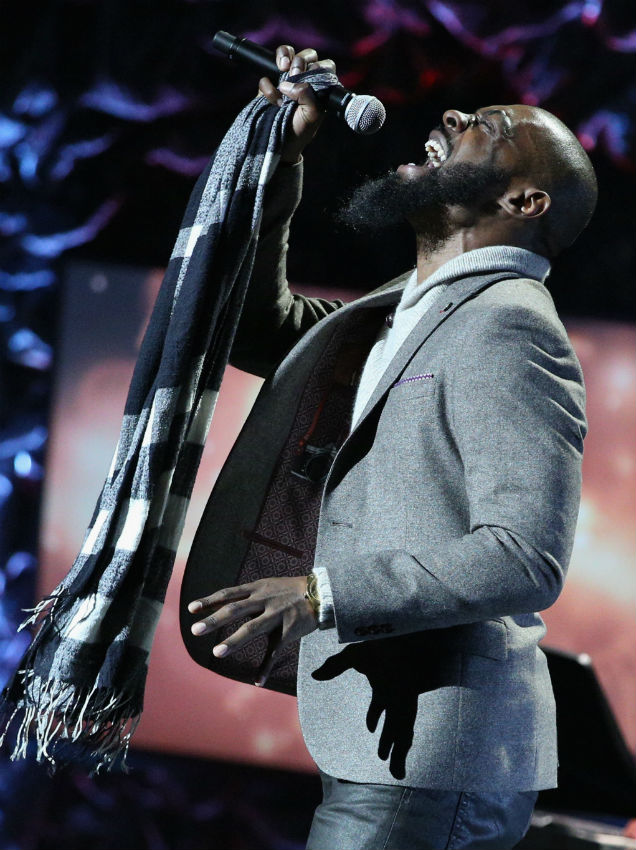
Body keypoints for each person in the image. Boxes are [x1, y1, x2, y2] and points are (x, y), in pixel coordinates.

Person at [183, 44, 597, 849]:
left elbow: (524, 556)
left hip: (433, 763)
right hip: (396, 756)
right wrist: (282, 160)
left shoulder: (508, 325)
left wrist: (319, 593)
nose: (453, 117)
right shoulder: (415, 306)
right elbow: (264, 329)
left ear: (525, 199)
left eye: (490, 128)